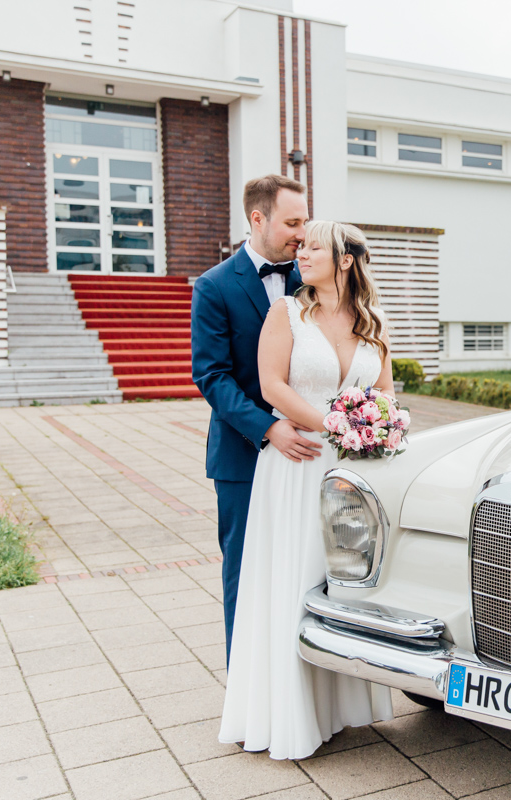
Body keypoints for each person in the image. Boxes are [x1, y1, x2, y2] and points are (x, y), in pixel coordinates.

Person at [218, 221, 395, 759]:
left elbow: (385, 392)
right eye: (302, 244)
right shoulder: (286, 313)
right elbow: (271, 384)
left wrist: (377, 427)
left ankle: (338, 707)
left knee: (337, 583)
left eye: (315, 246)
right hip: (296, 464)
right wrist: (335, 425)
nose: (303, 252)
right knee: (291, 580)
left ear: (345, 259)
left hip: (348, 473)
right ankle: (286, 713)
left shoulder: (372, 320)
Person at [191, 175, 321, 663]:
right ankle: (246, 692)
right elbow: (212, 376)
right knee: (245, 573)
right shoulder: (214, 286)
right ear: (257, 219)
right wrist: (269, 429)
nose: (301, 233)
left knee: (303, 568)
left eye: (304, 221)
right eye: (292, 222)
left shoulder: (311, 279)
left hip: (307, 456)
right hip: (242, 459)